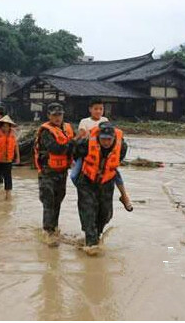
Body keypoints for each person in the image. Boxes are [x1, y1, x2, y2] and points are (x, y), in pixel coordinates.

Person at [74, 122, 128, 256]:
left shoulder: (122, 146)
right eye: (103, 138)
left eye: (109, 139)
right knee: (88, 210)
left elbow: (118, 159)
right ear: (98, 137)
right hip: (87, 180)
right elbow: (75, 154)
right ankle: (91, 244)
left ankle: (96, 235)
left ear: (114, 138)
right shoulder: (86, 143)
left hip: (107, 181)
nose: (106, 142)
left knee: (105, 213)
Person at [71, 98, 133, 212]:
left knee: (116, 174)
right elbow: (82, 135)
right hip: (87, 154)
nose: (98, 111)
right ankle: (85, 192)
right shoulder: (84, 122)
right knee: (73, 176)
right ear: (90, 109)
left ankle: (124, 196)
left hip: (105, 155)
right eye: (96, 109)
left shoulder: (105, 120)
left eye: (101, 109)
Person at [33, 103, 75, 247]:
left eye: (60, 115)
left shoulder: (67, 128)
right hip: (47, 173)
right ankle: (47, 233)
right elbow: (56, 149)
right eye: (54, 115)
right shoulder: (46, 131)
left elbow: (71, 149)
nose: (57, 118)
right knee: (48, 201)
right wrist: (73, 143)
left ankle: (54, 229)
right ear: (49, 116)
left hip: (62, 172)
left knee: (58, 200)